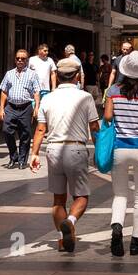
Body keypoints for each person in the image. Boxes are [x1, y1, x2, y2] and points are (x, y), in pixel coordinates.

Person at [29, 58, 100, 253]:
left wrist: (34, 154)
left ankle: (62, 239)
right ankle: (70, 221)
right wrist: (99, 151)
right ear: (77, 76)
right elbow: (94, 127)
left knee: (58, 199)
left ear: (57, 76)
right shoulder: (85, 97)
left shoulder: (47, 98)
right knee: (82, 196)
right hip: (76, 149)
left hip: (53, 150)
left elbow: (40, 129)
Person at [105, 51, 138, 257]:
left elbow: (108, 116)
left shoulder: (113, 90)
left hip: (118, 147)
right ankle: (136, 242)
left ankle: (117, 227)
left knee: (119, 194)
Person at [0, 50, 40, 169]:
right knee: (7, 131)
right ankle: (13, 156)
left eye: (23, 59)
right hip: (11, 107)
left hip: (26, 107)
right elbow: (4, 91)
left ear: (27, 60)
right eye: (18, 58)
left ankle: (22, 160)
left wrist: (36, 107)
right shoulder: (9, 74)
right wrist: (1, 108)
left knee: (25, 134)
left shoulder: (32, 74)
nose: (20, 60)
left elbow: (37, 91)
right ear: (15, 59)